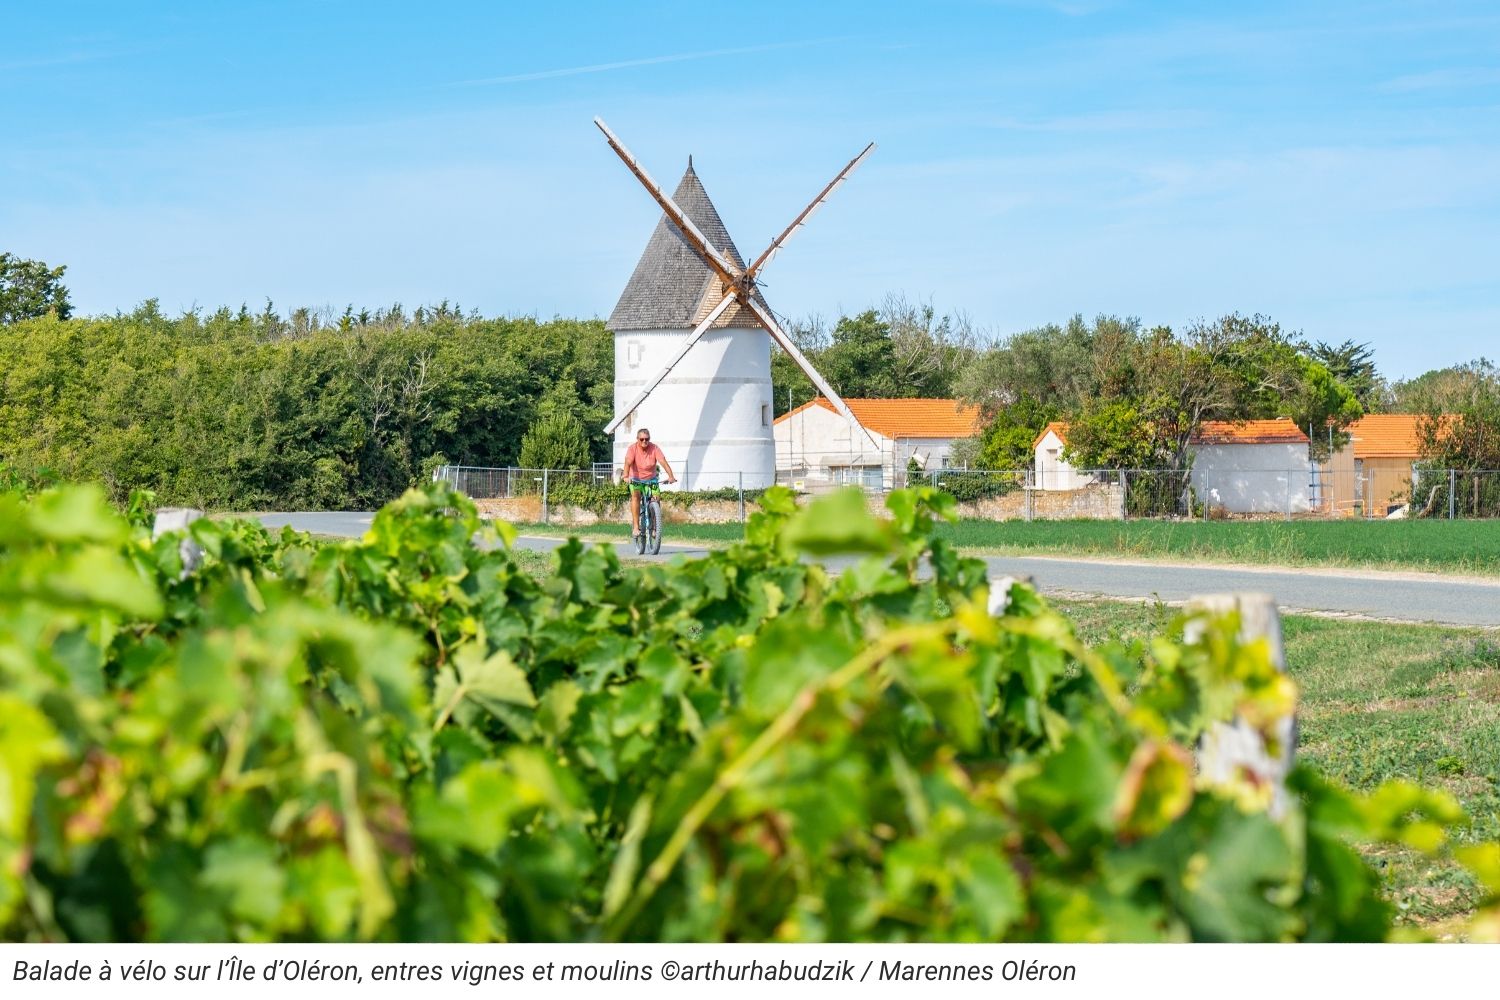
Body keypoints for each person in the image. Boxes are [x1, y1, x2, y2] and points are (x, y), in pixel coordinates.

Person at [620, 428, 676, 538]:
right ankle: (636, 527)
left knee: (656, 498)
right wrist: (626, 476)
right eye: (642, 439)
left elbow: (663, 462)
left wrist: (671, 476)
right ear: (637, 439)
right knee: (635, 496)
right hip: (636, 479)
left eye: (647, 439)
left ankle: (655, 527)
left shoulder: (654, 448)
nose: (644, 441)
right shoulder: (632, 449)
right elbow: (628, 462)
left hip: (651, 479)